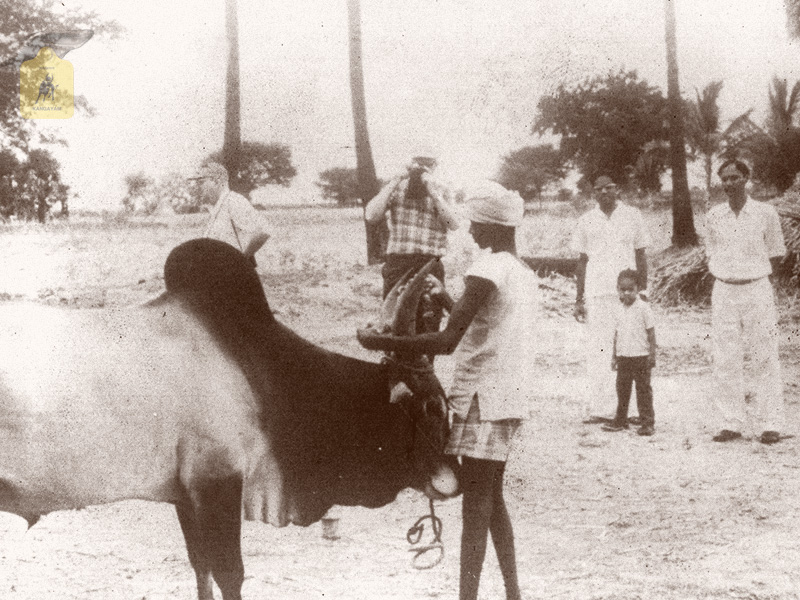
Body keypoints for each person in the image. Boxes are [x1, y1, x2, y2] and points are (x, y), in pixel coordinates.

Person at [358, 181, 535, 600]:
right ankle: (513, 593)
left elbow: (446, 341)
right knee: (491, 499)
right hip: (508, 396)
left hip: (484, 400)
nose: (470, 232)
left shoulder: (488, 268)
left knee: (476, 505)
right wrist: (445, 298)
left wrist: (381, 343)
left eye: (476, 224)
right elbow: (480, 321)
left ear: (494, 226)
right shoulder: (520, 272)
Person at [706, 159, 786, 445]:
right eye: (724, 179)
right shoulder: (714, 215)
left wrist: (756, 278)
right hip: (725, 290)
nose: (729, 184)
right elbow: (711, 252)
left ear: (746, 178)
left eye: (734, 177)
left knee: (764, 354)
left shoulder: (765, 213)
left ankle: (770, 423)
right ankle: (731, 422)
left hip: (756, 289)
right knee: (726, 357)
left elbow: (776, 254)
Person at [571, 175, 650, 424]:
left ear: (617, 189)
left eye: (609, 187)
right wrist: (579, 298)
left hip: (627, 293)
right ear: (593, 193)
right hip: (597, 293)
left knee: (632, 350)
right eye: (598, 189)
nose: (604, 192)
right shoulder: (585, 220)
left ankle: (635, 411)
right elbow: (582, 261)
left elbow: (640, 254)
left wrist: (643, 291)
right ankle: (602, 409)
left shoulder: (633, 216)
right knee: (599, 351)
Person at [365, 156, 460, 332]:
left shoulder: (442, 189)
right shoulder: (396, 187)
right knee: (393, 323)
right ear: (410, 164)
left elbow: (453, 224)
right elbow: (371, 215)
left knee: (429, 322)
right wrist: (395, 180)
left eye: (427, 163)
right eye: (418, 162)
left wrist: (433, 191)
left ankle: (426, 360)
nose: (422, 167)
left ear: (435, 165)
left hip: (430, 263)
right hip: (398, 263)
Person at [602, 269, 657, 436]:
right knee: (622, 390)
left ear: (637, 289)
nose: (626, 293)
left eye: (630, 289)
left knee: (643, 391)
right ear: (617, 289)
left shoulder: (644, 308)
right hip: (624, 357)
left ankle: (647, 422)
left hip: (641, 356)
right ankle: (621, 419)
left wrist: (652, 354)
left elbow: (651, 333)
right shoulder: (618, 309)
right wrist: (614, 357)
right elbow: (616, 334)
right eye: (622, 289)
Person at [189, 162, 271, 266]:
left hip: (232, 276)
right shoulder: (219, 206)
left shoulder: (233, 201)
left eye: (201, 182)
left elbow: (263, 231)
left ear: (216, 181)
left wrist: (241, 261)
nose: (198, 187)